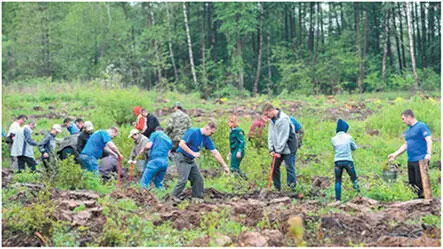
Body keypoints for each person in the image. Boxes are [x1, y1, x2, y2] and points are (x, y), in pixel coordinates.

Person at [172, 122, 230, 201]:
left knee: (198, 179)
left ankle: (197, 199)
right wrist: (193, 153)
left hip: (190, 160)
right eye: (211, 133)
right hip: (182, 157)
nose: (211, 135)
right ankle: (173, 198)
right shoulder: (192, 132)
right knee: (183, 180)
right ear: (207, 128)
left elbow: (215, 152)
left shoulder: (206, 138)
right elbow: (181, 144)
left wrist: (225, 166)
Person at [388, 109, 433, 199]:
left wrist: (428, 154)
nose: (403, 121)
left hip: (421, 159)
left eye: (403, 119)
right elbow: (406, 144)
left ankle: (425, 202)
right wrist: (395, 154)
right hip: (411, 159)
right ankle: (415, 202)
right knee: (412, 183)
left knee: (420, 182)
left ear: (409, 117)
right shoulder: (408, 131)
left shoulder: (421, 126)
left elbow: (429, 139)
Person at [262, 103, 298, 195]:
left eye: (266, 114)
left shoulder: (283, 119)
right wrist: (271, 149)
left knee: (289, 168)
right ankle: (277, 188)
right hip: (278, 148)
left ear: (271, 111)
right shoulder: (271, 121)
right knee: (274, 167)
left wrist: (278, 151)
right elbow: (270, 135)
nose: (266, 117)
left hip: (289, 147)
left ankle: (292, 189)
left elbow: (284, 136)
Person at [331, 119, 360, 204]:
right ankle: (358, 196)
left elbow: (335, 148)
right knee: (354, 178)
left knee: (338, 180)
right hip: (348, 161)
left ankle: (338, 200)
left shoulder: (333, 139)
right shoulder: (349, 137)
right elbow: (355, 147)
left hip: (337, 162)